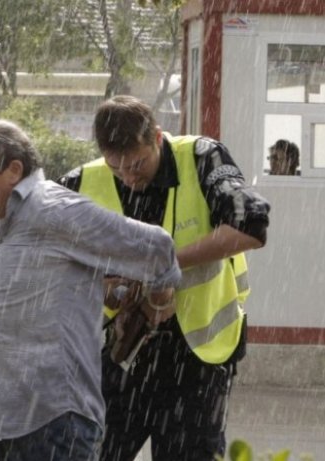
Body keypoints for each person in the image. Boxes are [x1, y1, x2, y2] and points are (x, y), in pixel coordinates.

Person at [58, 95, 270, 461]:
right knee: (90, 454)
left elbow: (251, 227)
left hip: (198, 361)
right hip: (118, 356)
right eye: (116, 167)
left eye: (137, 163)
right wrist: (104, 286)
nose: (129, 176)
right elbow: (46, 263)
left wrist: (165, 264)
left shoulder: (203, 157)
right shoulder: (80, 182)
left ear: (157, 136)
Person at [0, 119, 181, 461]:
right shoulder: (4, 221)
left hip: (53, 424)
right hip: (5, 419)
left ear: (13, 170)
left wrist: (156, 303)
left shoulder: (55, 210)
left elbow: (156, 248)